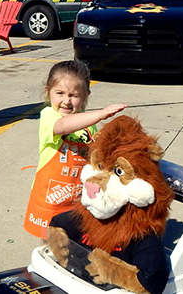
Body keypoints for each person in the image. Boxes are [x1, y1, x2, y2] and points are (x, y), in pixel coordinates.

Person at [23, 60, 127, 238]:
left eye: (74, 95)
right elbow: (63, 126)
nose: (66, 101)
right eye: (60, 93)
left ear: (86, 95)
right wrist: (100, 114)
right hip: (50, 197)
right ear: (48, 92)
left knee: (74, 243)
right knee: (51, 244)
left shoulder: (89, 125)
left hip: (77, 197)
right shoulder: (49, 116)